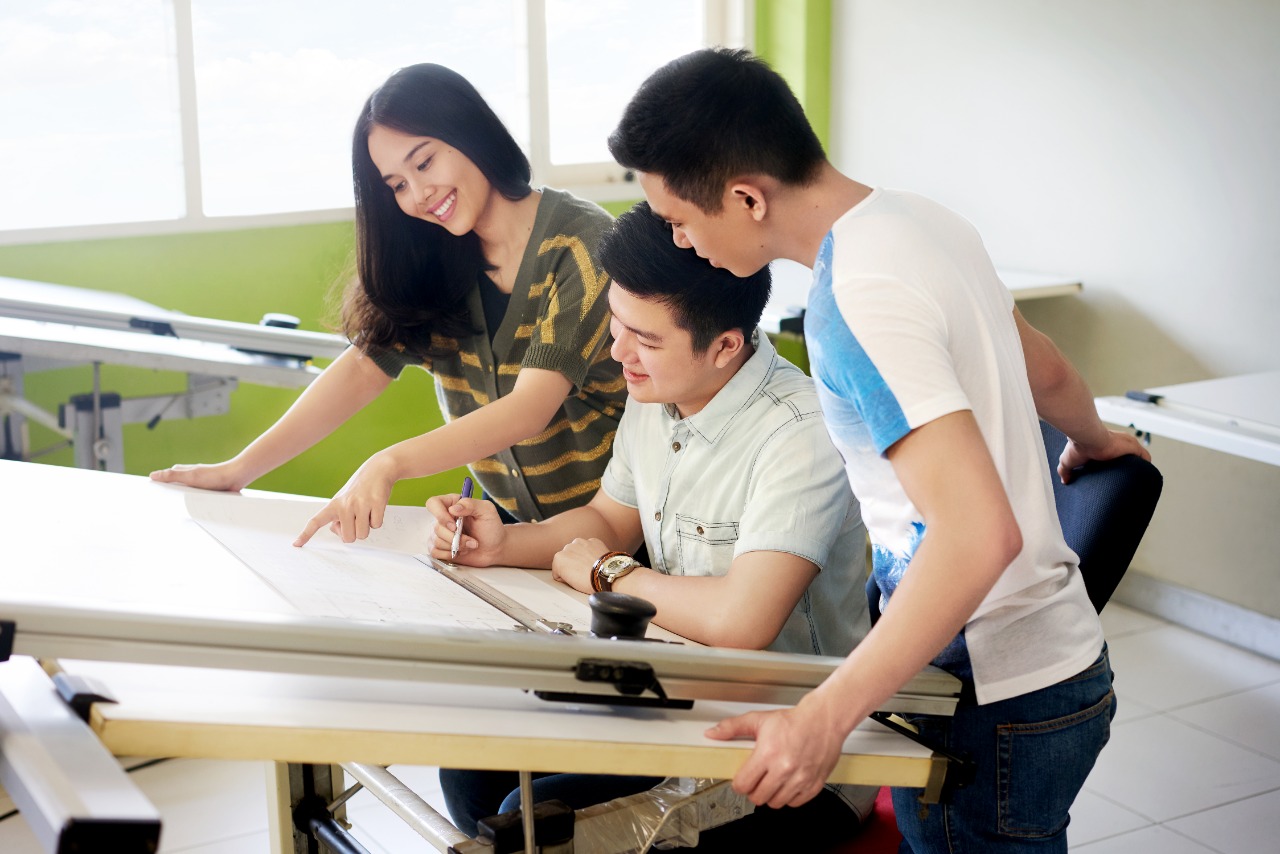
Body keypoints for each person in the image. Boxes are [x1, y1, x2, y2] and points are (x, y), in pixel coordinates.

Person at [607, 48, 1152, 853]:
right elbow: (1045, 365)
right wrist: (1097, 440)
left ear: (746, 197)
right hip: (1056, 668)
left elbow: (977, 535)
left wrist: (824, 716)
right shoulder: (921, 220)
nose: (680, 242)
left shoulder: (851, 304)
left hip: (990, 699)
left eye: (680, 220)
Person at [425, 203, 874, 850]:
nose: (617, 353)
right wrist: (504, 542)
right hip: (678, 701)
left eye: (646, 339)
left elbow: (743, 621)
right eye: (617, 324)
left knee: (536, 819)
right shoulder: (660, 395)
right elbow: (609, 518)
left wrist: (612, 575)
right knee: (474, 770)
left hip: (792, 747)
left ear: (724, 346)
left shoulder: (797, 432)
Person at [151, 63, 626, 542]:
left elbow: (529, 409)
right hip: (508, 527)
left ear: (470, 134)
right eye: (397, 184)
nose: (419, 195)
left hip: (616, 535)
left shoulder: (582, 245)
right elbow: (361, 370)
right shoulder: (433, 252)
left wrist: (388, 463)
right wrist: (238, 470)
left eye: (424, 163)